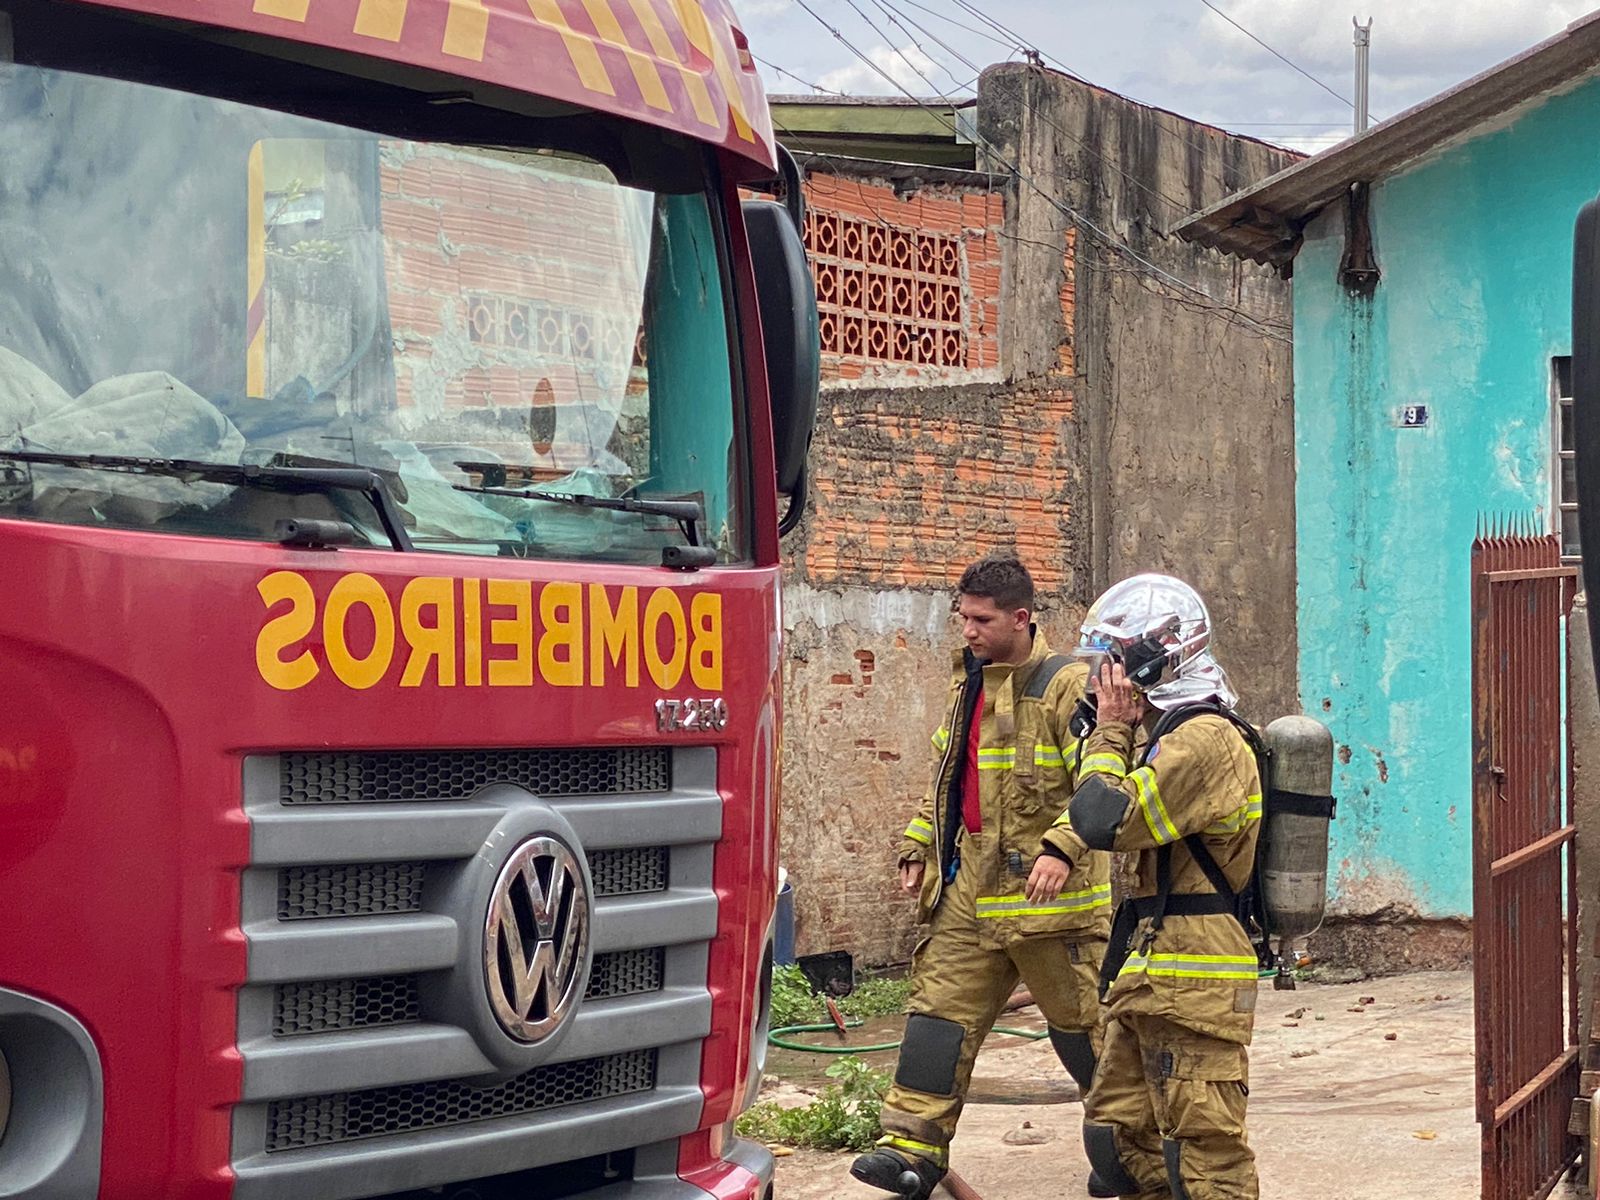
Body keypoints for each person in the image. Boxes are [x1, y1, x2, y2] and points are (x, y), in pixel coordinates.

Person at [849, 554, 1112, 1199]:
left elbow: (1102, 782)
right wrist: (918, 843)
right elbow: (948, 779)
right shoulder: (967, 684)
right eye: (962, 616)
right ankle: (912, 1148)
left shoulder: (1065, 686)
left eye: (982, 619)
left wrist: (1064, 847)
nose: (967, 630)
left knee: (1089, 1035)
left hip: (1054, 903)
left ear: (1021, 618)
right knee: (939, 1017)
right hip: (971, 894)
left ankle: (1126, 1151)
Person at [1055, 573, 1263, 1199]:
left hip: (1197, 974)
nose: (1102, 682)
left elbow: (1103, 818)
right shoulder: (1172, 736)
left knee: (1204, 1154)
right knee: (1118, 1137)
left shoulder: (1207, 740)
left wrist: (1112, 731)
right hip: (1153, 967)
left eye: (1113, 667)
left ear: (1151, 665)